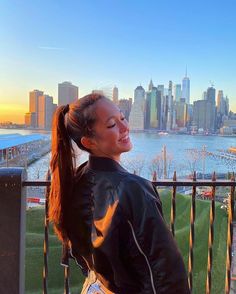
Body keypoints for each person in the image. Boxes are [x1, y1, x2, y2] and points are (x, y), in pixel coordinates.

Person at [49, 93, 190, 294]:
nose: (125, 128)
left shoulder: (77, 178)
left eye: (122, 118)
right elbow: (165, 273)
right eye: (112, 125)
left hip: (94, 287)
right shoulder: (132, 189)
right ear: (88, 142)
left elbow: (83, 253)